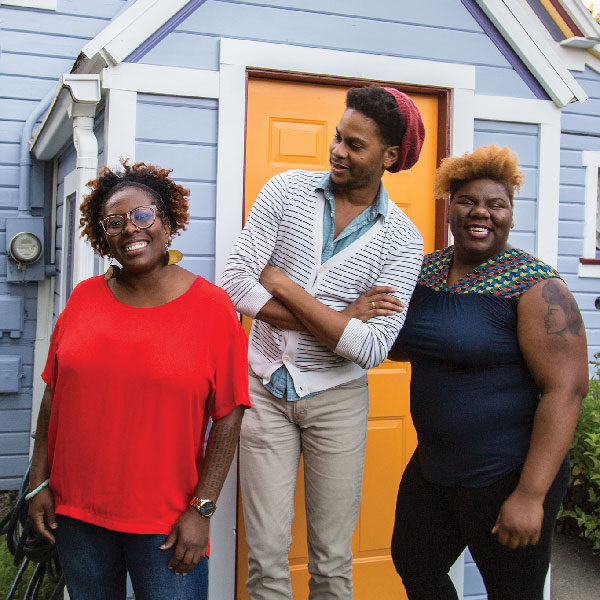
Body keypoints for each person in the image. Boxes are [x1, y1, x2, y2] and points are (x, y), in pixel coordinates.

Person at [220, 85, 425, 598]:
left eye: (355, 145)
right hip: (266, 390)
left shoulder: (403, 239)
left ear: (390, 156)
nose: (337, 150)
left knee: (332, 560)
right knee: (265, 557)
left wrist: (285, 285)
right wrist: (338, 320)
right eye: (338, 137)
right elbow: (233, 283)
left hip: (338, 402)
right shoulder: (286, 191)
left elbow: (371, 348)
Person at [28, 161, 250, 600]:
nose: (130, 228)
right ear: (103, 237)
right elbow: (54, 398)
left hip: (165, 524)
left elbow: (228, 416)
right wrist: (39, 480)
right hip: (77, 514)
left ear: (166, 221)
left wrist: (201, 509)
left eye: (143, 215)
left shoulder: (212, 307)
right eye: (114, 222)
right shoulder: (82, 299)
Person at [389, 145, 589, 600]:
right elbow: (401, 343)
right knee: (415, 564)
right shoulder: (426, 274)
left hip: (507, 474)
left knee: (512, 591)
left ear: (511, 215)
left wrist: (530, 495)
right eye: (467, 201)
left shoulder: (536, 286)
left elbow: (567, 389)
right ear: (449, 209)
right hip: (435, 468)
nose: (481, 212)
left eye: (496, 204)